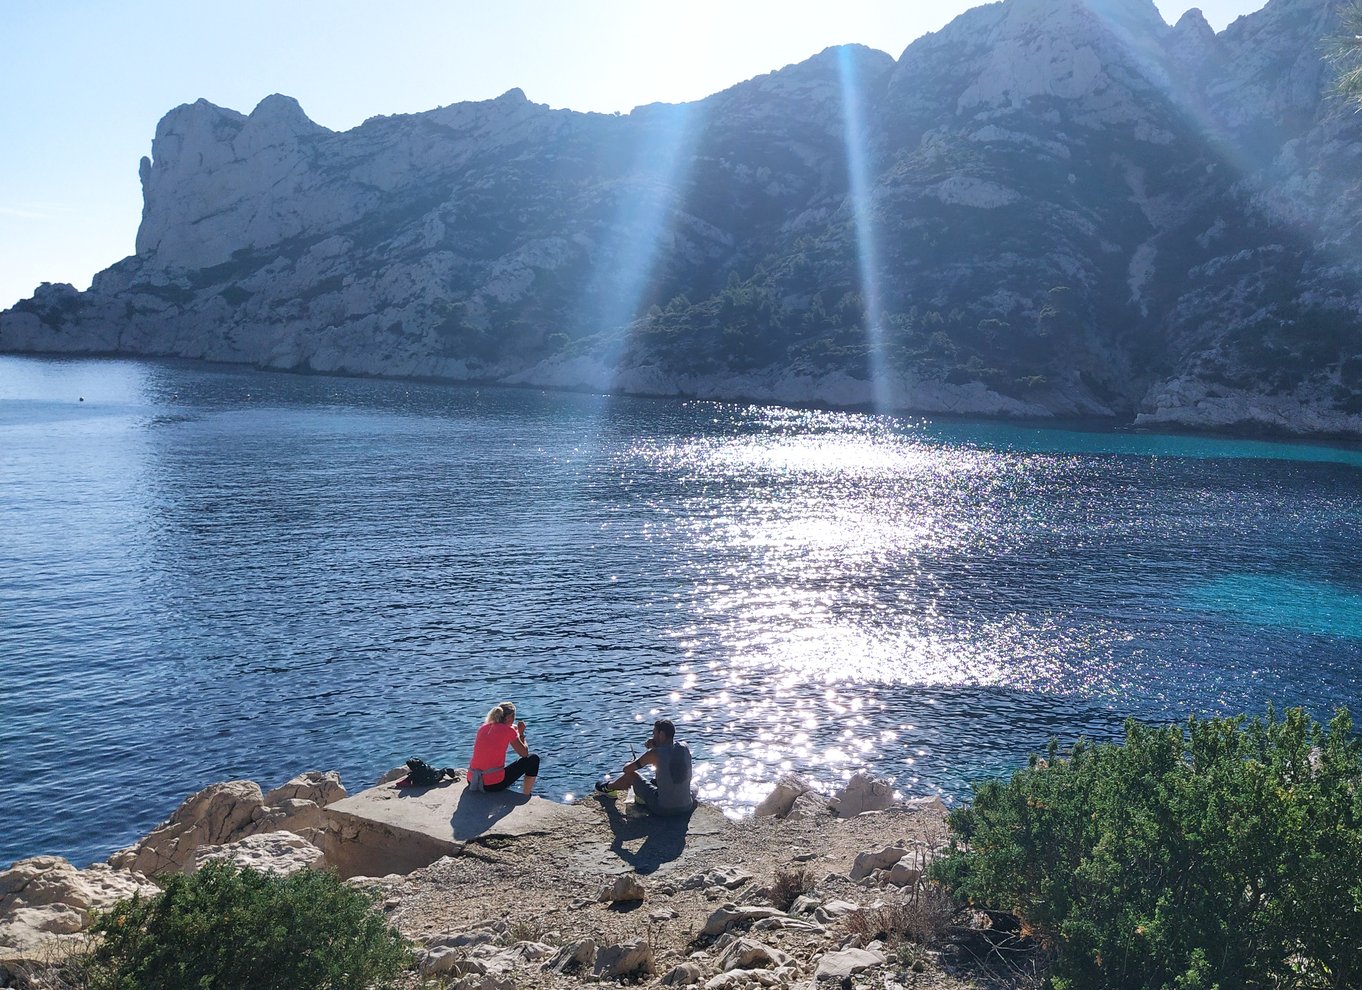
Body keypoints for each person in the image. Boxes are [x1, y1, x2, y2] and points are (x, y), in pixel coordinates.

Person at [596, 718, 694, 815]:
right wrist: (656, 744)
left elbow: (627, 770)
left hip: (663, 808)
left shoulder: (655, 753)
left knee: (632, 776)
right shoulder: (684, 747)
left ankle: (608, 788)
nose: (653, 736)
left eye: (654, 733)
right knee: (694, 785)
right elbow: (669, 755)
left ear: (661, 734)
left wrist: (631, 762)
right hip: (687, 806)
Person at [468, 701, 539, 795]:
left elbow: (500, 730)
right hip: (492, 785)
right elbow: (524, 753)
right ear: (509, 717)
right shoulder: (508, 731)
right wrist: (521, 734)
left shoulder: (483, 727)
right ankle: (526, 794)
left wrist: (513, 729)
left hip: (472, 780)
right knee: (533, 759)